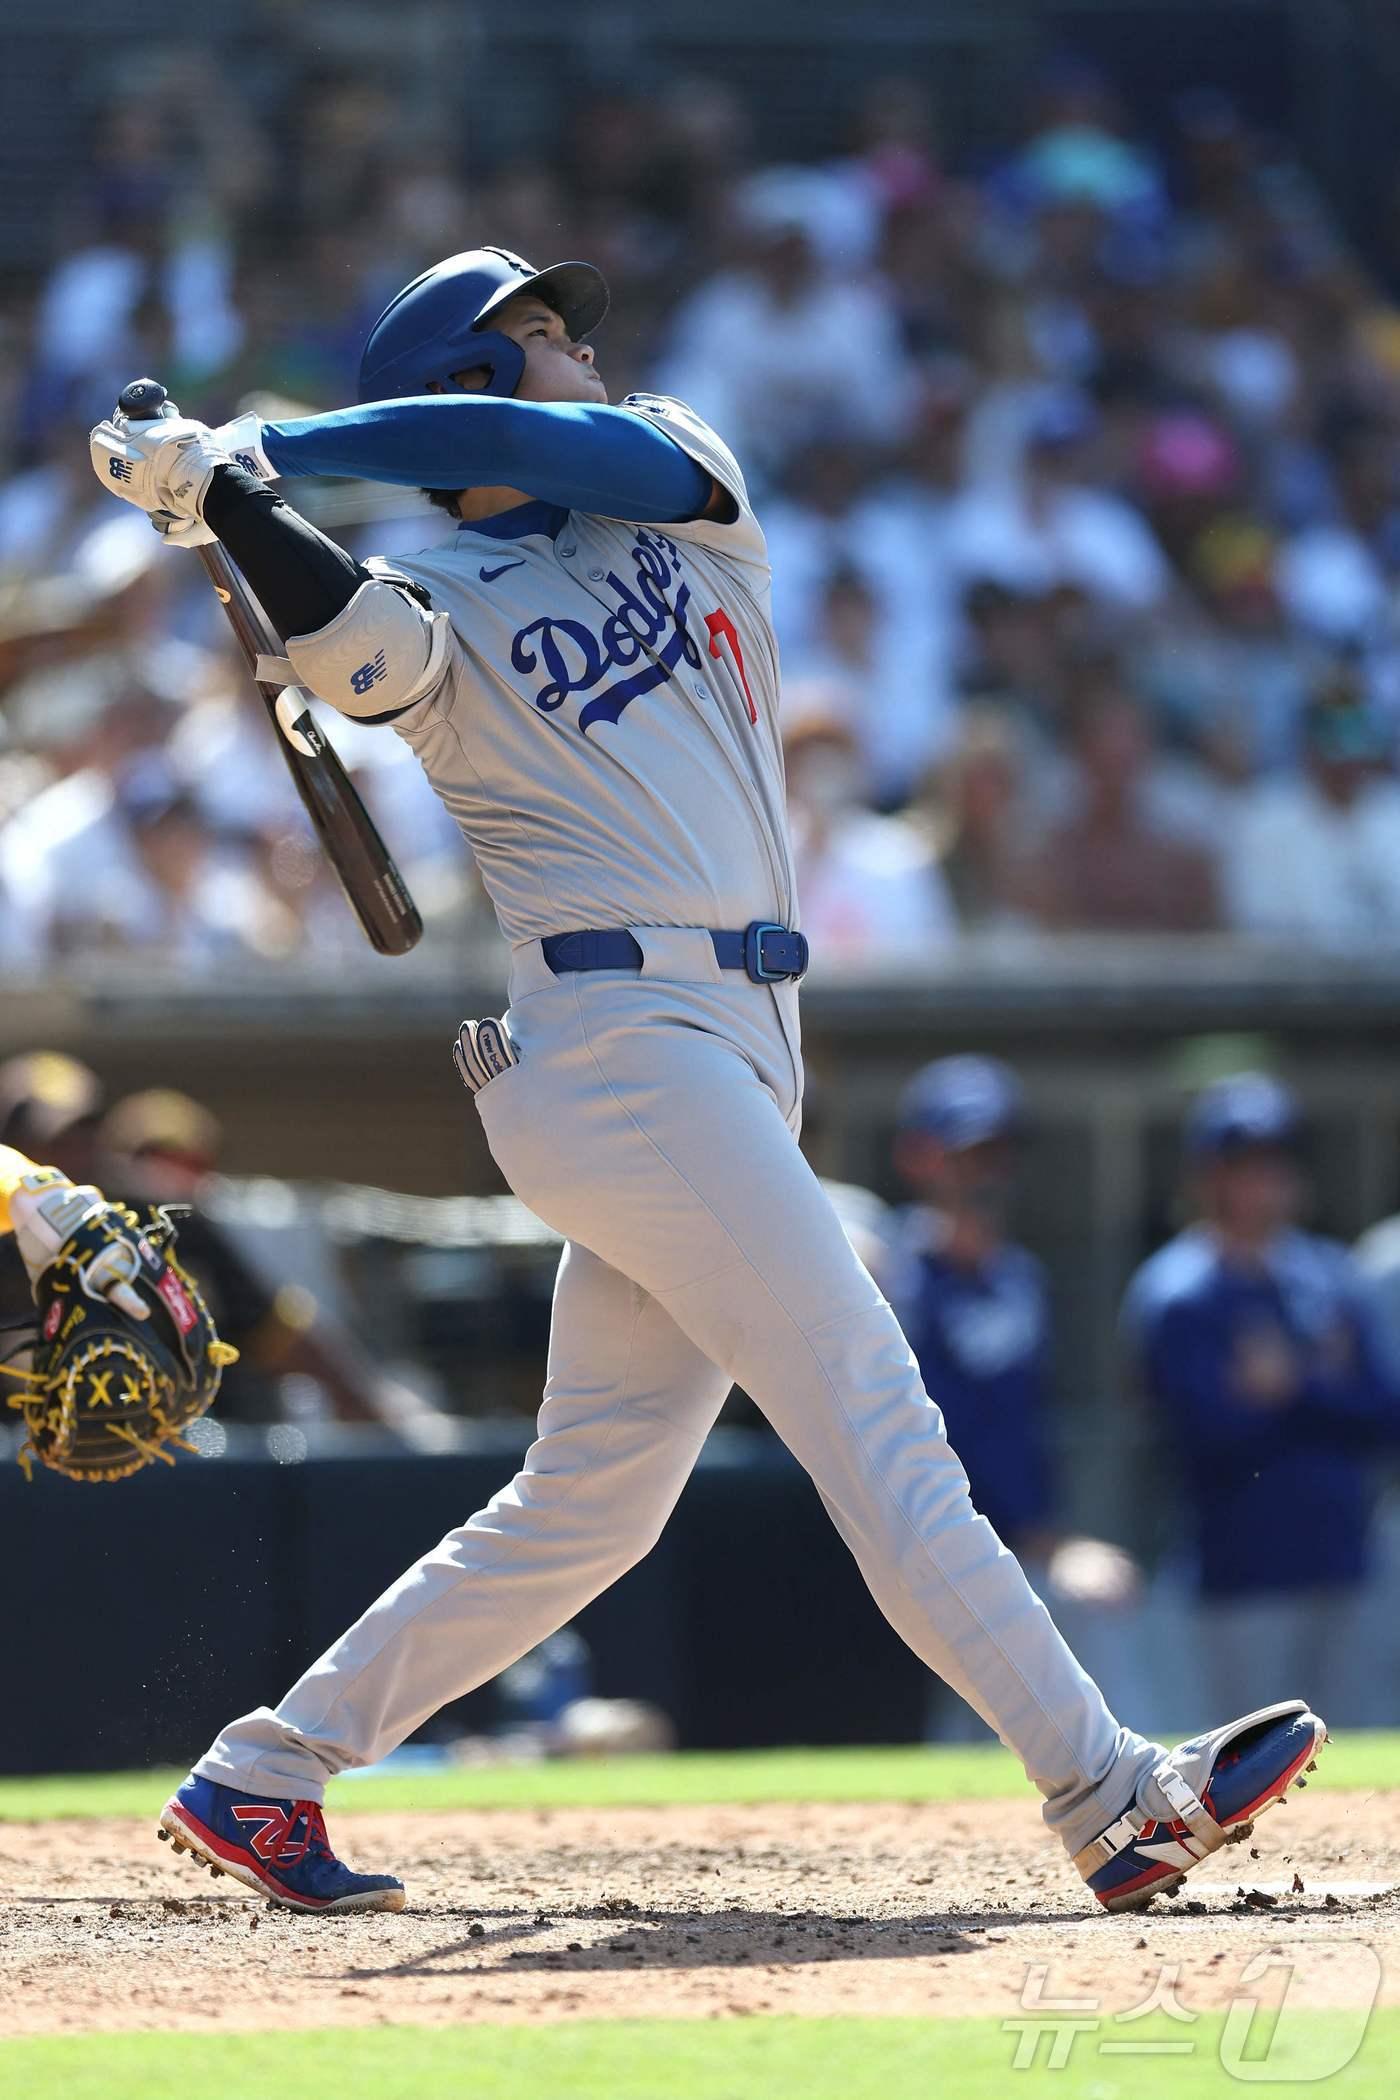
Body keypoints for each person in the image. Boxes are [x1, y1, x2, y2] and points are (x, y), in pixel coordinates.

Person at [89, 243, 1323, 1917]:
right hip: (615, 1050)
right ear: (469, 378)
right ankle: (1113, 1798)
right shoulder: (433, 589)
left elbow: (559, 451)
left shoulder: (680, 481)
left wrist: (266, 455)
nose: (579, 348)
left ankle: (266, 1770)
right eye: (539, 333)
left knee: (589, 1502)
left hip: (732, 1048)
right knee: (880, 1422)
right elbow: (355, 651)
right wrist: (228, 503)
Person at [1123, 1074, 1400, 1724]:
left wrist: (1293, 1385)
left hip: (1342, 1562)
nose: (1260, 1183)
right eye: (1240, 1166)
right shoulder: (1178, 1292)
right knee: (1245, 1769)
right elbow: (1208, 1432)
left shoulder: (1329, 1275)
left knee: (1355, 1758)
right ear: (1206, 1176)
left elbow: (1385, 1413)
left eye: (1273, 1164)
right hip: (1238, 1575)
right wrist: (1319, 1388)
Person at [886, 1056, 1143, 1736]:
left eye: (997, 1156)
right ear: (921, 1158)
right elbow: (919, 1431)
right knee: (952, 1739)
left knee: (1084, 1663)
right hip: (918, 1547)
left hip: (1014, 1548)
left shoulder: (1017, 1276)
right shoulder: (891, 1272)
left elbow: (1024, 1429)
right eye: (967, 1155)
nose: (985, 1176)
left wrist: (1049, 1538)